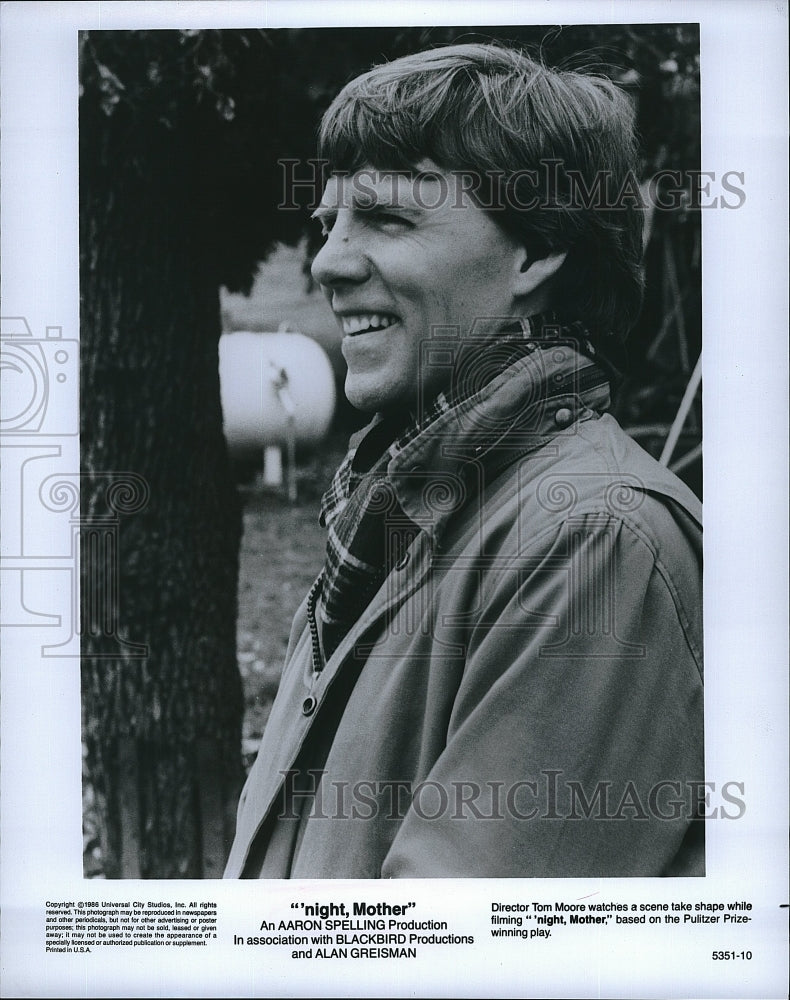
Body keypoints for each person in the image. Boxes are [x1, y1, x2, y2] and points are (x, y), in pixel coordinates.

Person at [224, 42, 703, 878]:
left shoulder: (593, 540)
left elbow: (450, 952)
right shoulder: (388, 512)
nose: (330, 261)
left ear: (536, 253)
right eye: (329, 220)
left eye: (387, 217)